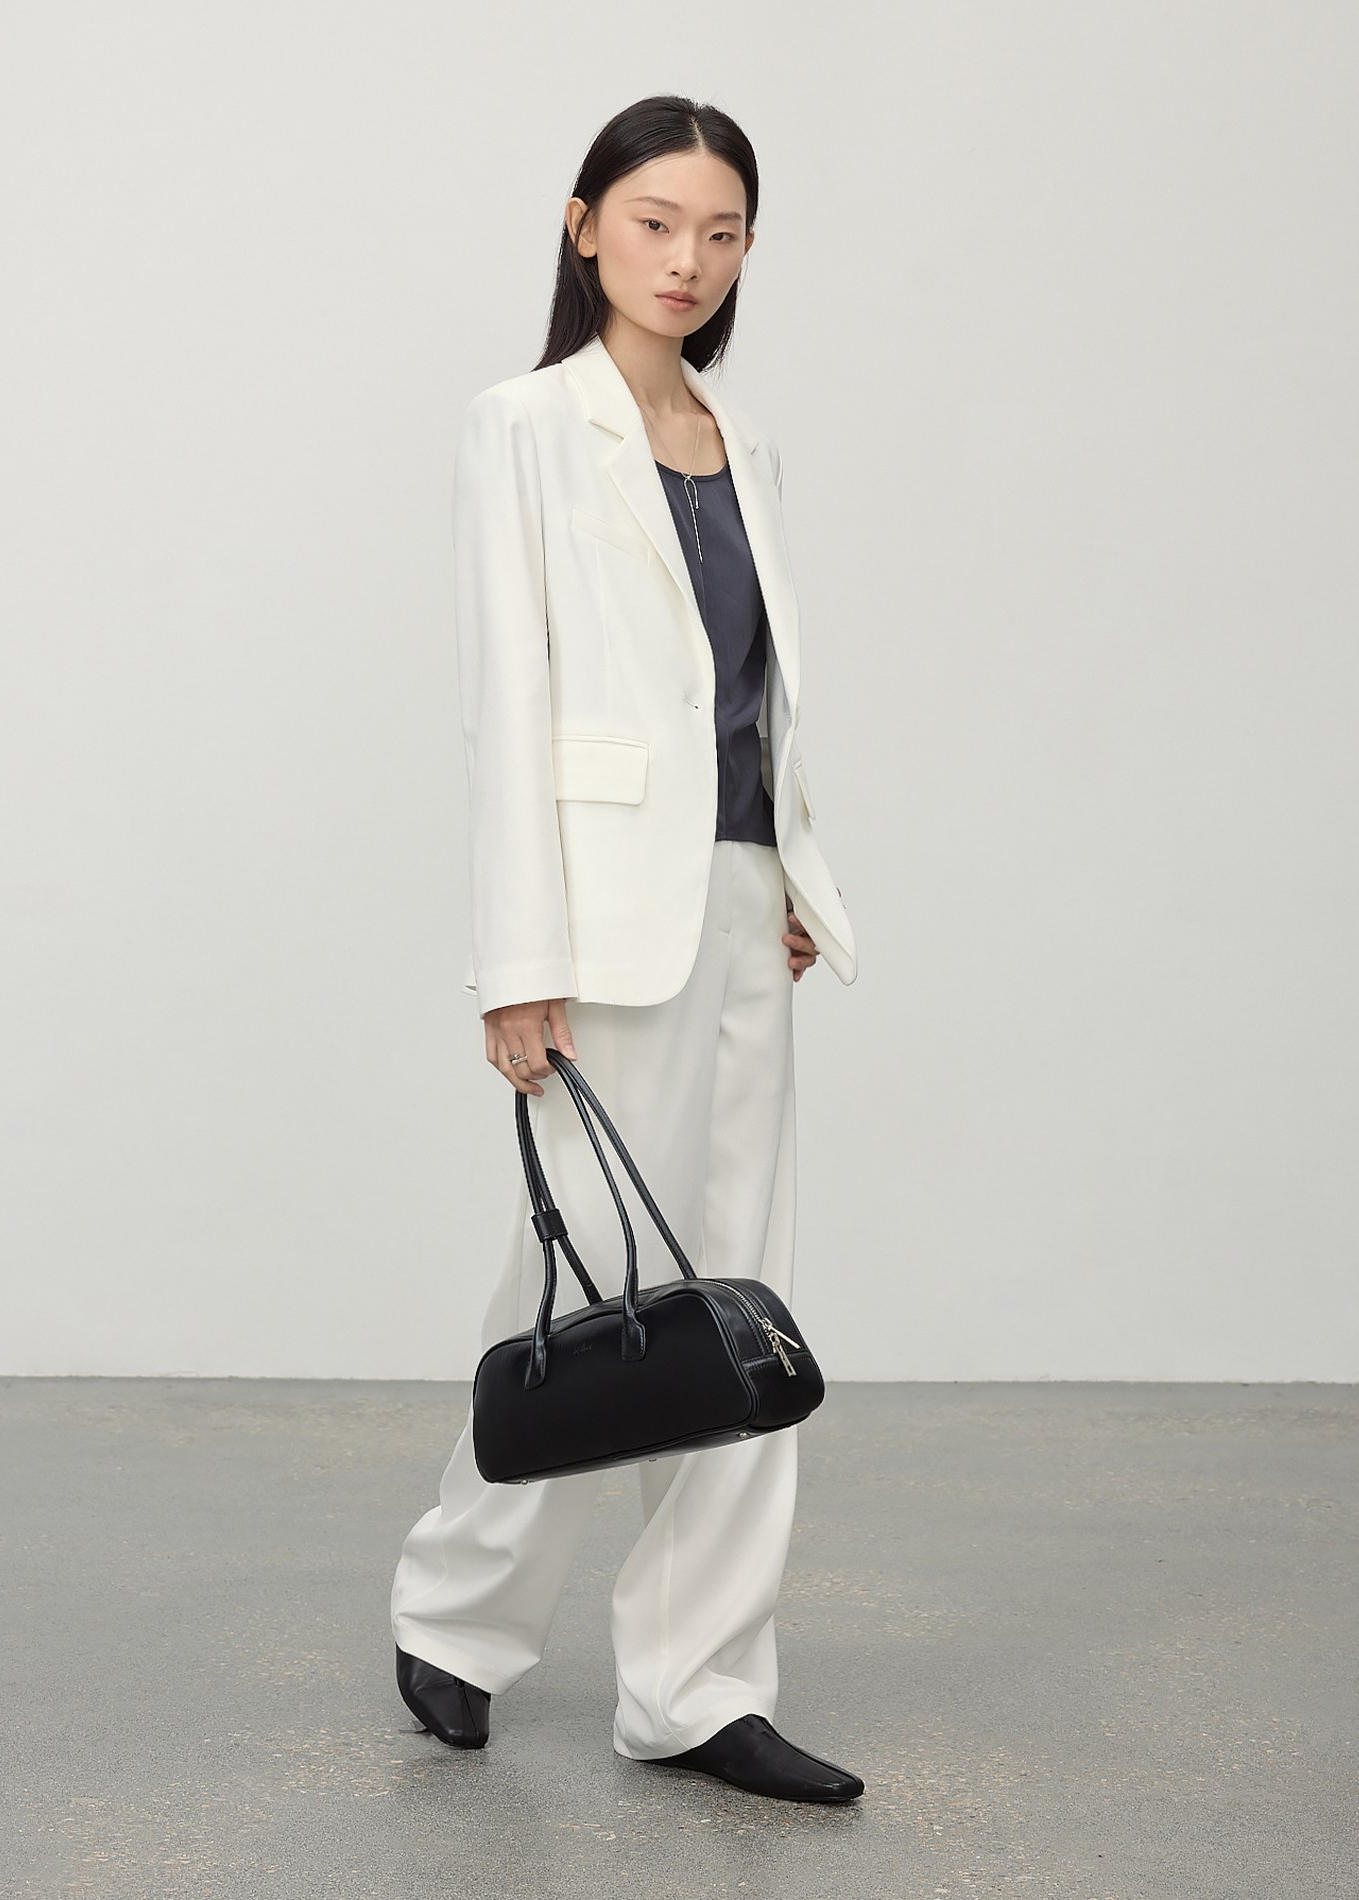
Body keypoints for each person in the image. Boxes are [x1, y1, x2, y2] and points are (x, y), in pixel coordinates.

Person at [389, 94, 862, 1804]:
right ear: (586, 224)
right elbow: (507, 705)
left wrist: (786, 870)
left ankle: (697, 1684)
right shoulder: (524, 426)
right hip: (593, 925)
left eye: (721, 233)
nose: (688, 260)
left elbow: (750, 695)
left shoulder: (747, 442)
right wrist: (517, 959)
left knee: (739, 1303)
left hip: (740, 905)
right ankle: (457, 1614)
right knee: (587, 1283)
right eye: (657, 222)